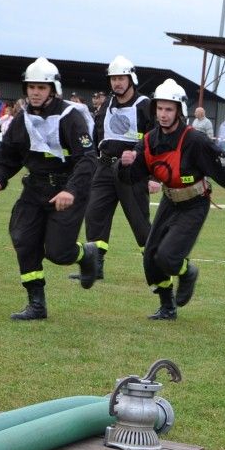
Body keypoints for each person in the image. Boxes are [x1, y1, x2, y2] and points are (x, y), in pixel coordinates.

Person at [0, 57, 100, 321]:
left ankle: (86, 254)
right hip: (34, 190)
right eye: (31, 87)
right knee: (23, 240)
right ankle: (36, 304)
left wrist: (70, 190)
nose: (35, 92)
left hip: (68, 191)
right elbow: (8, 154)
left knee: (58, 253)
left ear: (53, 89)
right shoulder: (22, 119)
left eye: (41, 87)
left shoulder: (71, 118)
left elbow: (87, 158)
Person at [119, 79, 225, 320]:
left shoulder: (194, 140)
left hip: (194, 204)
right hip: (169, 201)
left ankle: (187, 272)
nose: (163, 115)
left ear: (179, 111)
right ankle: (167, 307)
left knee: (168, 257)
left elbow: (223, 165)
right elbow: (132, 176)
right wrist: (126, 164)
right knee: (151, 257)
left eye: (169, 109)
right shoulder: (148, 141)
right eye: (160, 109)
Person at [79, 55, 154, 281]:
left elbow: (155, 142)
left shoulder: (146, 106)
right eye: (113, 79)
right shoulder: (106, 104)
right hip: (104, 167)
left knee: (140, 223)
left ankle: (154, 267)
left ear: (131, 79)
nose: (117, 83)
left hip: (132, 172)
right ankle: (95, 267)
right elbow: (96, 136)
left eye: (121, 78)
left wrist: (152, 175)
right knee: (95, 215)